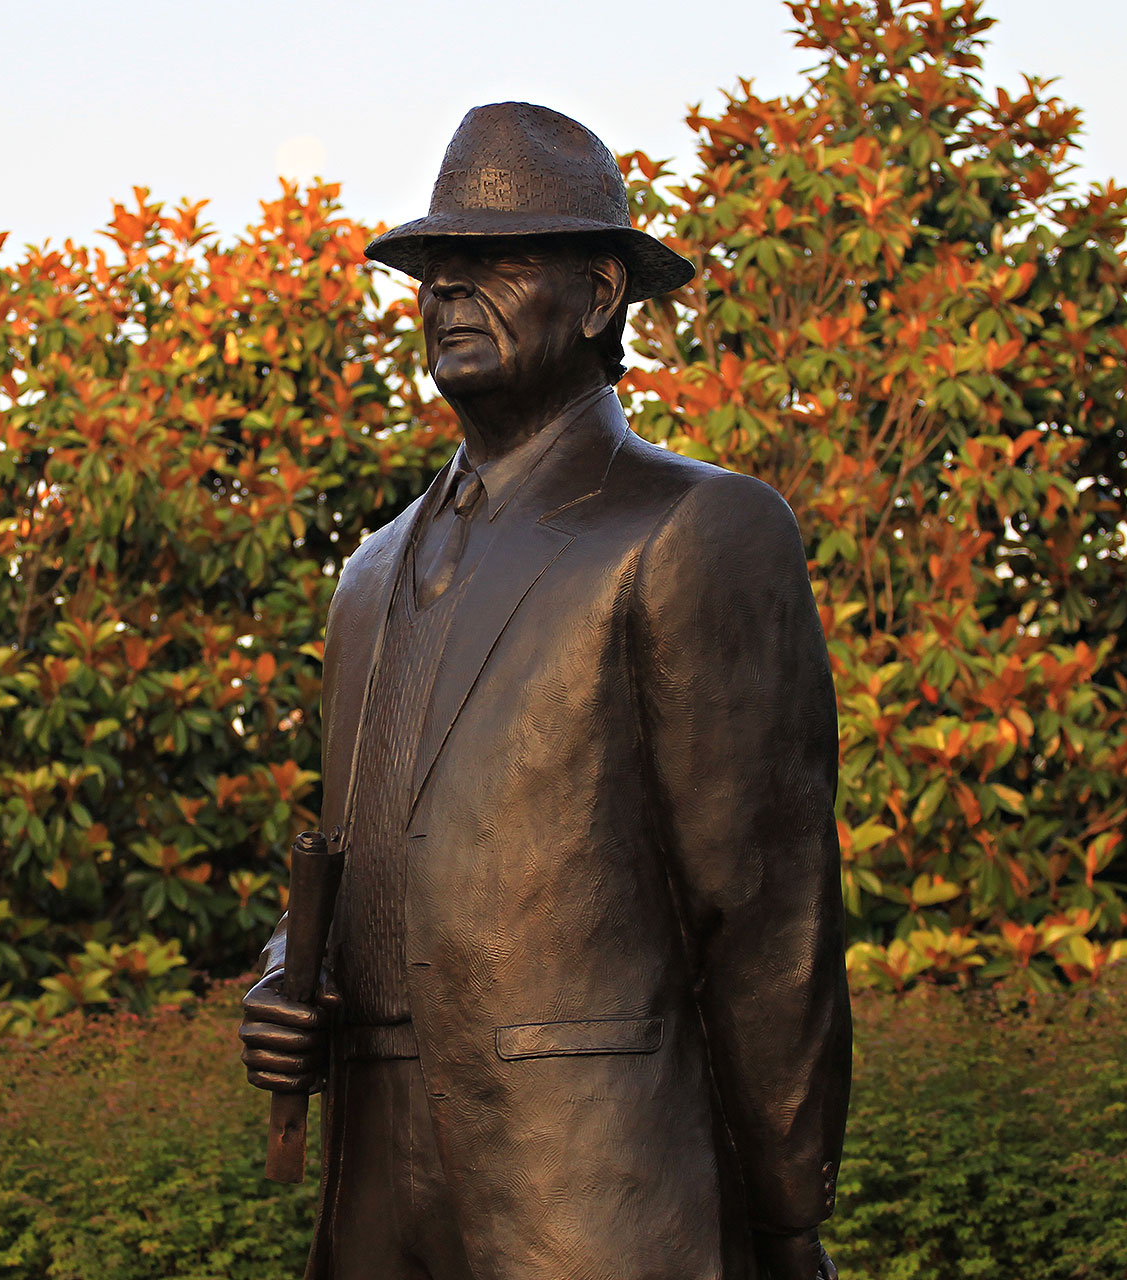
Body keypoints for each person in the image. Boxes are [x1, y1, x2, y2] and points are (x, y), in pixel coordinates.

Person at [238, 102, 850, 1280]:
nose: (450, 289)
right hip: (375, 1208)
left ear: (599, 291)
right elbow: (370, 860)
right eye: (435, 266)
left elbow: (765, 912)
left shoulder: (692, 527)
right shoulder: (367, 576)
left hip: (597, 1199)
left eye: (495, 260)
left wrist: (782, 1218)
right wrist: (285, 972)